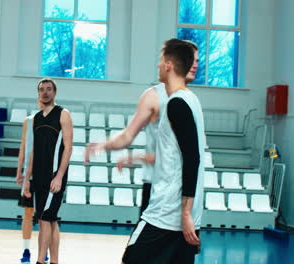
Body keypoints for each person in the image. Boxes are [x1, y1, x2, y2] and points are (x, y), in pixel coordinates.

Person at [85, 43, 199, 215]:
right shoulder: (154, 96)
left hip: (183, 189)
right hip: (157, 187)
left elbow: (185, 155)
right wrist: (104, 144)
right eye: (191, 59)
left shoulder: (190, 100)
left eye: (197, 60)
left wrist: (138, 157)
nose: (196, 64)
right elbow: (127, 135)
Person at [121, 39, 205, 263]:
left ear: (168, 65)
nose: (158, 66)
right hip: (182, 215)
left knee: (131, 259)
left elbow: (192, 158)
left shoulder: (177, 103)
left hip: (166, 213)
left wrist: (185, 213)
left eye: (160, 62)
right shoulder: (191, 99)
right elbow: (179, 156)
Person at [24, 78, 73, 264]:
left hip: (54, 176)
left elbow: (68, 148)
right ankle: (54, 261)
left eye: (49, 89)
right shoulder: (35, 119)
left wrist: (59, 176)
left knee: (45, 218)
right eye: (41, 90)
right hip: (38, 176)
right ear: (38, 94)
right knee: (50, 220)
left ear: (55, 92)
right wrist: (27, 178)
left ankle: (40, 260)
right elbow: (32, 151)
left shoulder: (63, 114)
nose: (45, 92)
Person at [15, 100, 48, 264]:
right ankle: (26, 249)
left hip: (46, 174)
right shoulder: (28, 121)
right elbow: (23, 146)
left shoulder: (54, 122)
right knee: (28, 213)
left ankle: (45, 250)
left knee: (45, 216)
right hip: (30, 175)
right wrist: (19, 170)